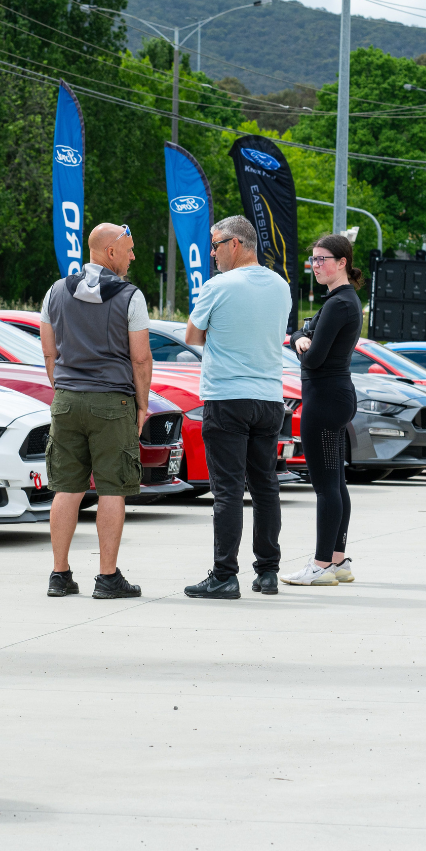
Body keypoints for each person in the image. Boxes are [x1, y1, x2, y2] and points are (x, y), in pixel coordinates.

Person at [40, 223, 152, 600]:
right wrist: (142, 405)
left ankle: (59, 574)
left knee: (66, 489)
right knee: (112, 489)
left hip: (67, 398)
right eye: (130, 249)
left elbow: (49, 352)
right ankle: (107, 579)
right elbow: (140, 358)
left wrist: (63, 389)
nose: (134, 256)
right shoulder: (130, 296)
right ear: (110, 253)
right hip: (112, 401)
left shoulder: (55, 291)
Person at [184, 216, 291, 599]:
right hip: (269, 397)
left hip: (227, 395)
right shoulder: (281, 286)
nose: (211, 253)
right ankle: (267, 572)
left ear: (236, 244)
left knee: (227, 490)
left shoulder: (219, 286)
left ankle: (224, 574)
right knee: (266, 487)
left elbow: (192, 336)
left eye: (215, 245)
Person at [282, 234, 364, 587]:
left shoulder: (339, 304)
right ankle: (338, 559)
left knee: (325, 485)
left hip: (325, 397)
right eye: (312, 260)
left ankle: (320, 565)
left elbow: (313, 356)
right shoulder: (341, 300)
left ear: (342, 262)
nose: (315, 265)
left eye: (322, 259)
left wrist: (300, 341)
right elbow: (300, 328)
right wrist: (302, 334)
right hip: (334, 395)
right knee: (336, 482)